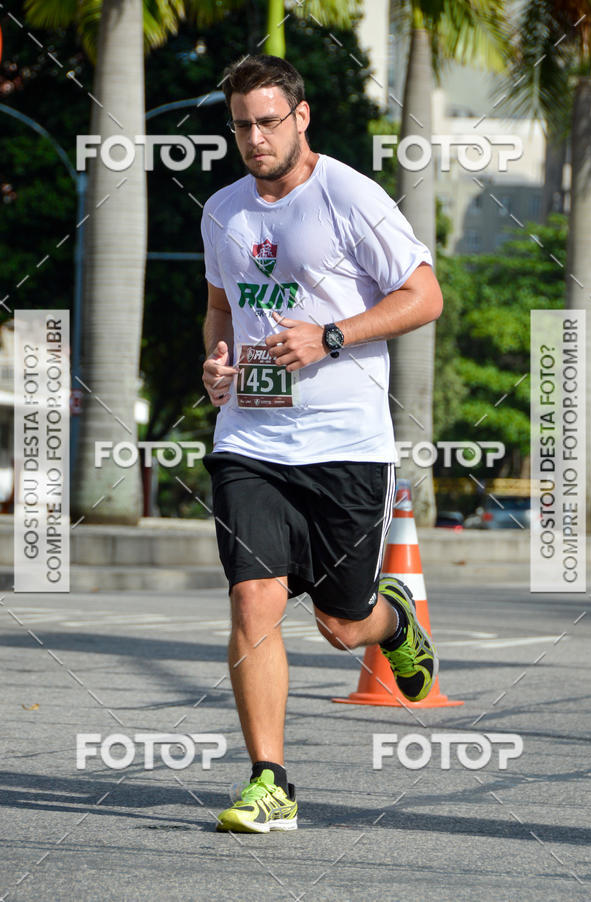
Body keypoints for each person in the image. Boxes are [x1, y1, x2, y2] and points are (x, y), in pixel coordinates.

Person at [201, 55, 443, 834]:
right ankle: (269, 779)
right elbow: (220, 308)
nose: (254, 137)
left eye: (268, 120)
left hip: (345, 442)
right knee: (253, 597)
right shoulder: (222, 212)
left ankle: (392, 622)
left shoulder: (349, 195)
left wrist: (331, 336)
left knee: (341, 625)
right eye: (241, 124)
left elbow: (424, 295)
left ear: (301, 117)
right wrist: (215, 362)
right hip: (251, 439)